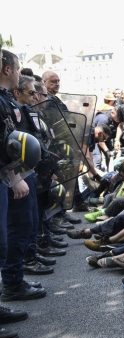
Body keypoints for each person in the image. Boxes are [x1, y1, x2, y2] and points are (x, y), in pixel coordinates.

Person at [0, 50, 47, 301]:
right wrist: (14, 176)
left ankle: (14, 282)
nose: (19, 74)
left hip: (17, 173)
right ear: (7, 69)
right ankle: (11, 284)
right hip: (11, 176)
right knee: (12, 232)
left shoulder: (6, 100)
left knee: (21, 228)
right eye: (17, 68)